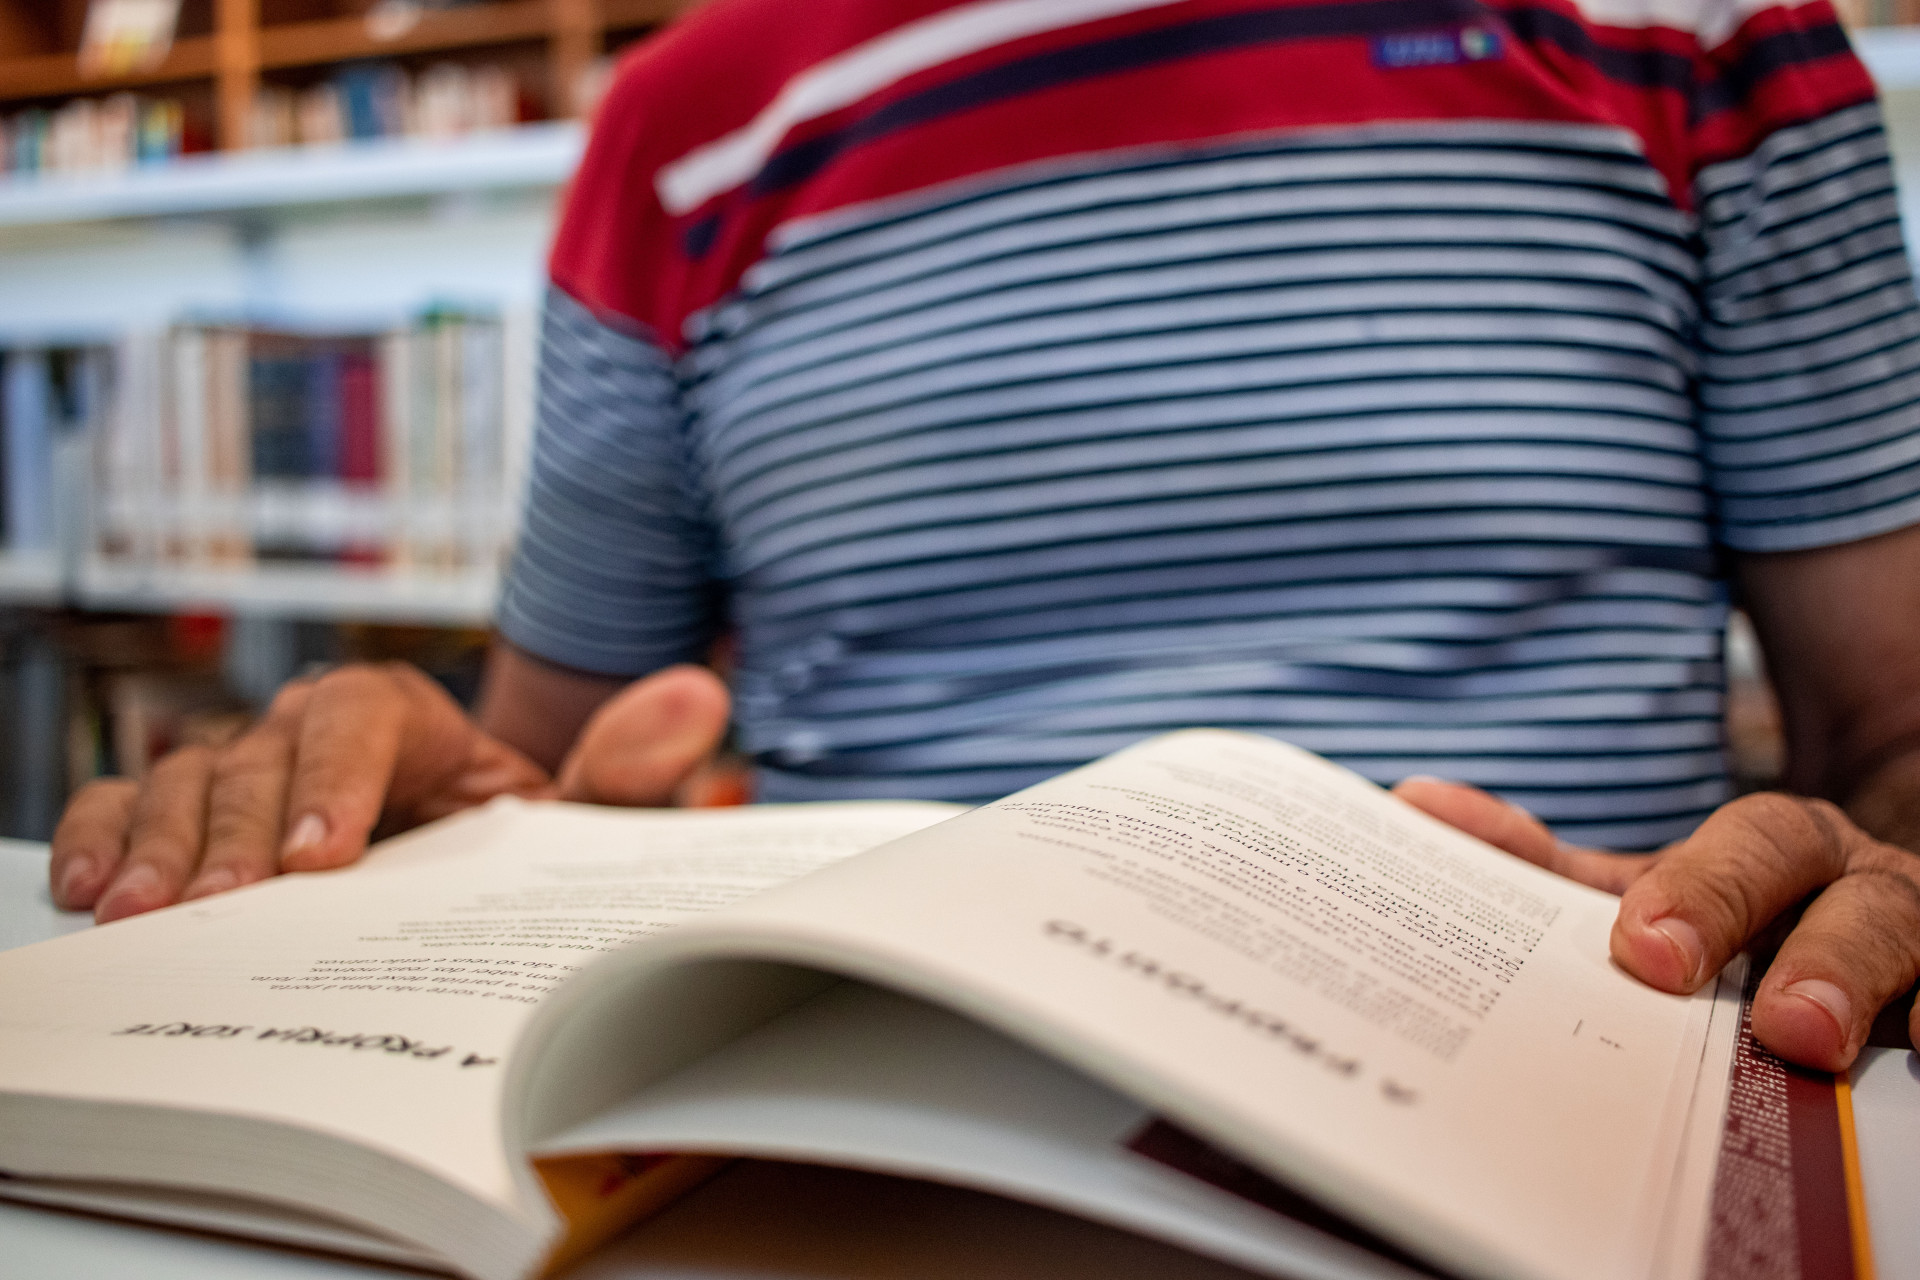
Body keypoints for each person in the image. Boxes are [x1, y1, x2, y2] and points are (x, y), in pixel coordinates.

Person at [49, 0, 1920, 1073]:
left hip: (1575, 1066)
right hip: (852, 1104)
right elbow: (536, 762)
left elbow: (1889, 755)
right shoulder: (684, 127)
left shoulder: (1697, 35)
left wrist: (1872, 881)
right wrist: (406, 770)